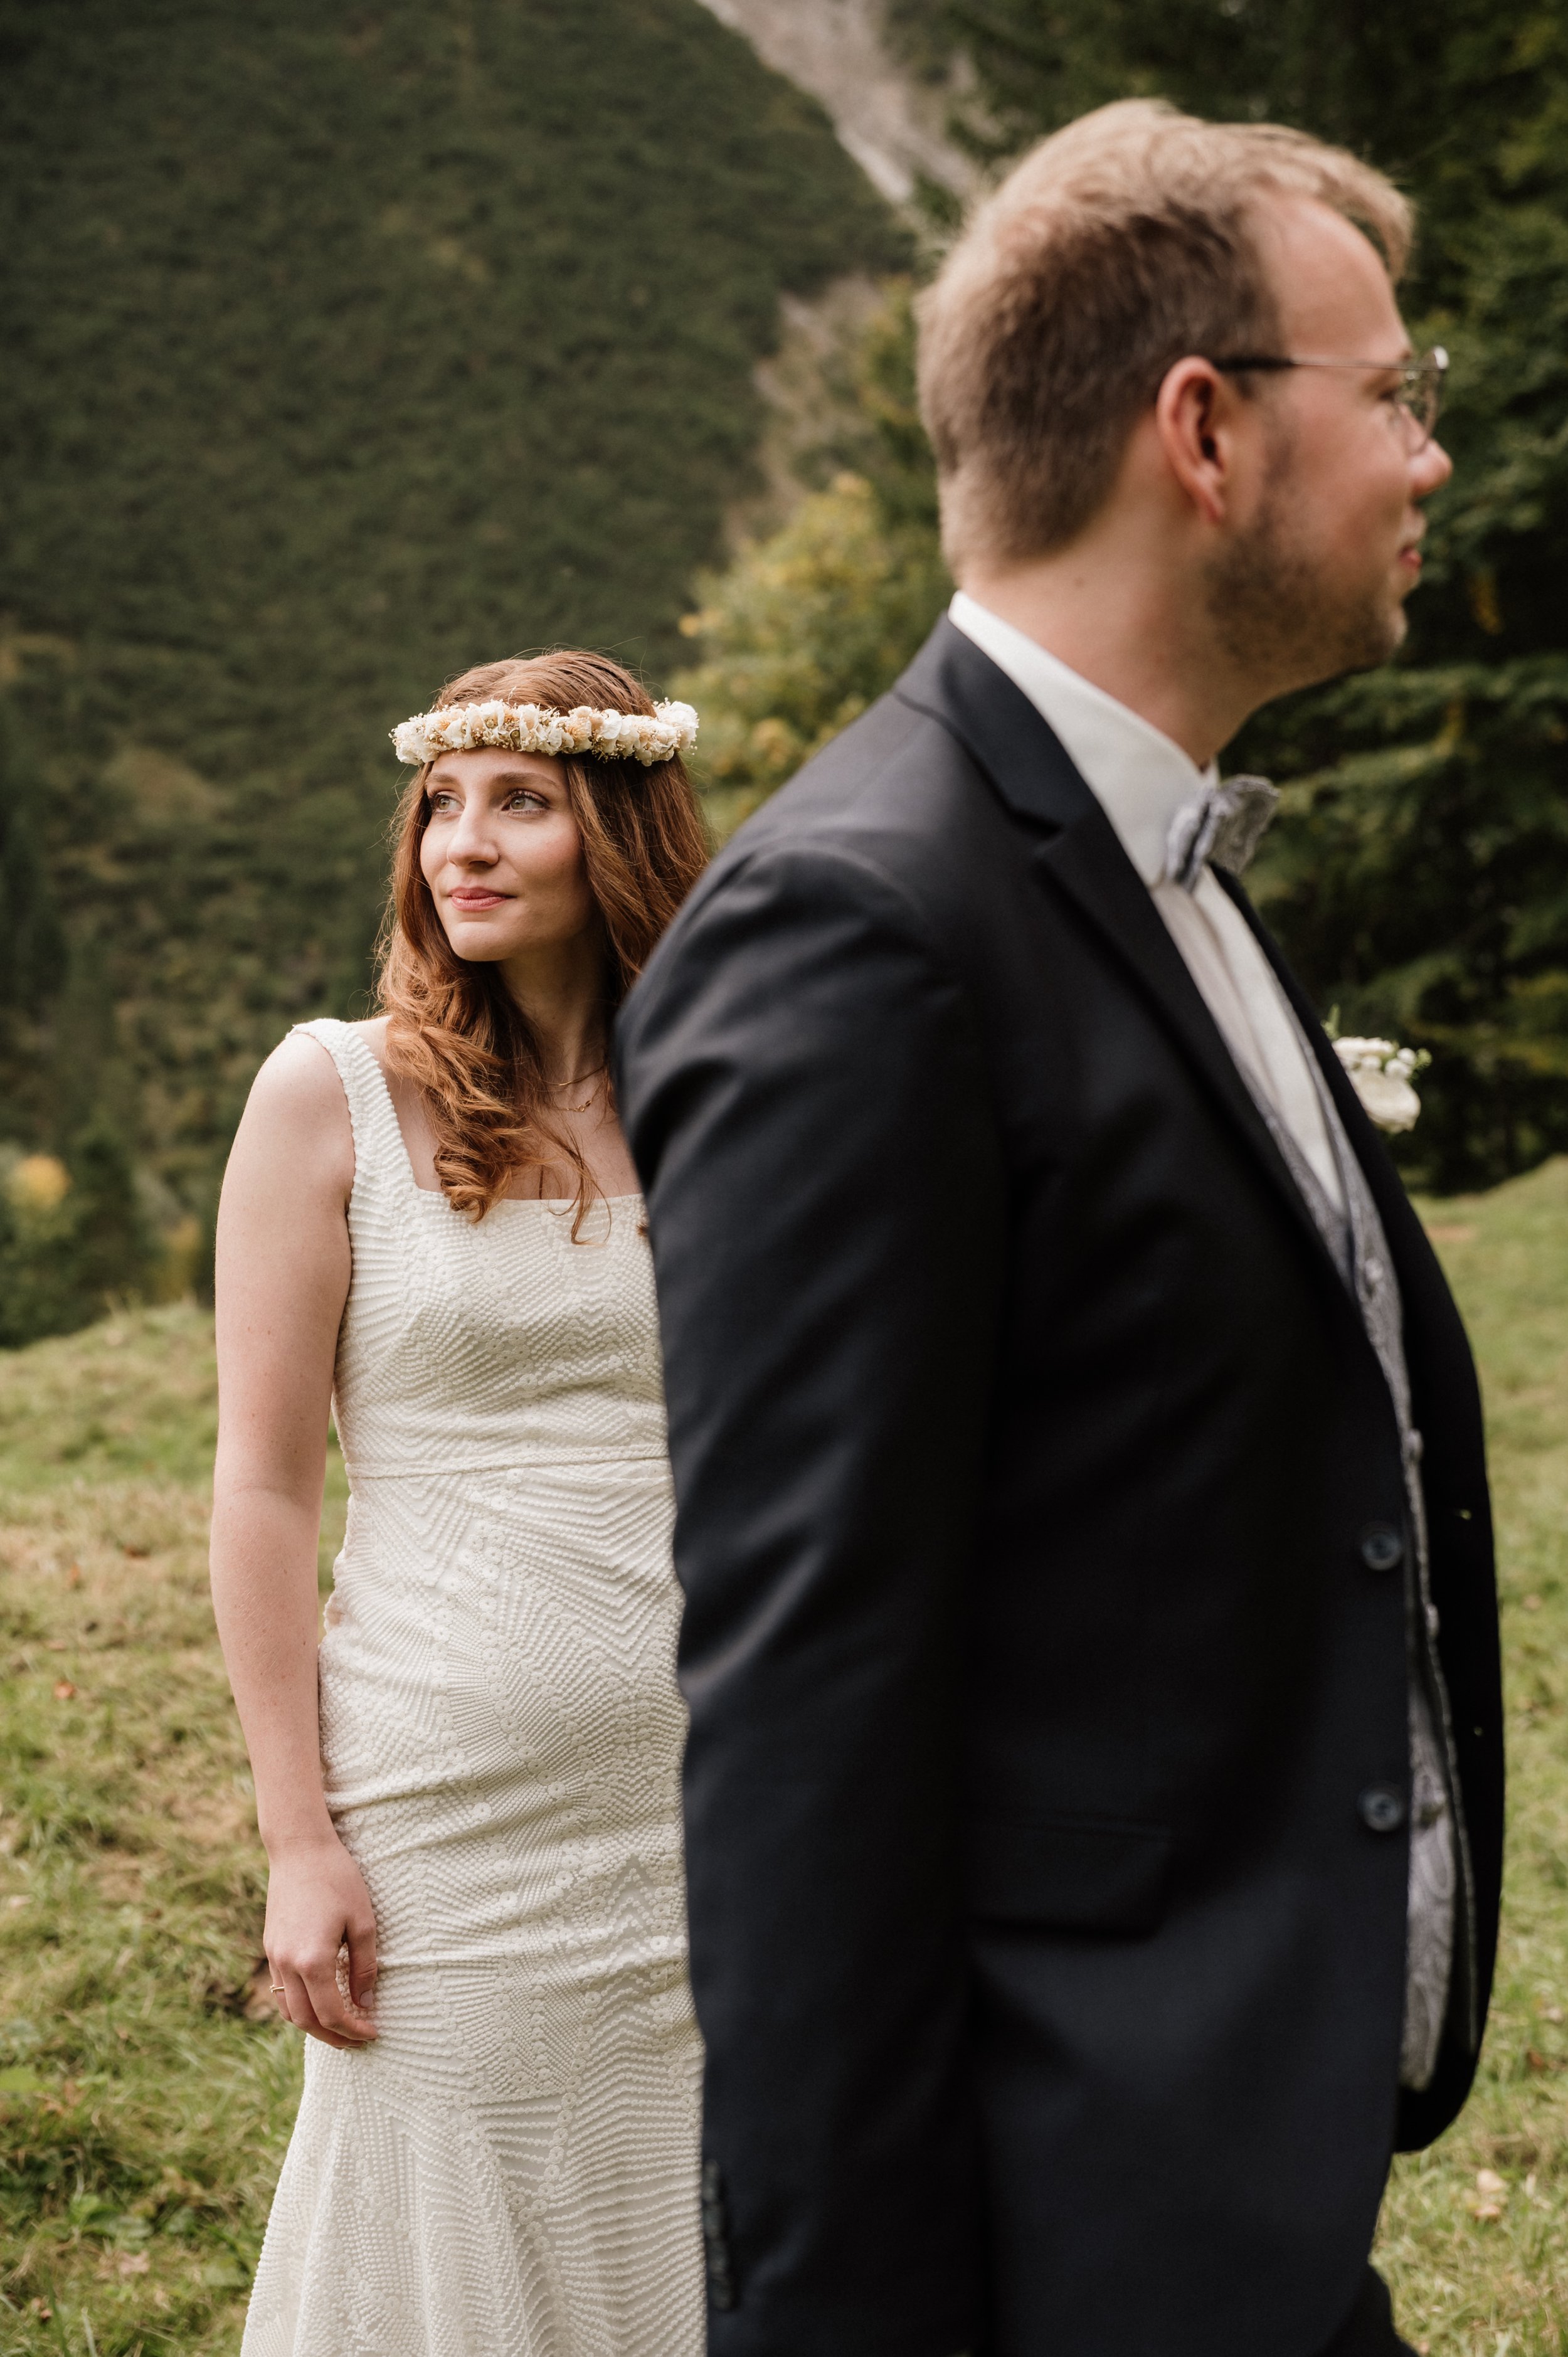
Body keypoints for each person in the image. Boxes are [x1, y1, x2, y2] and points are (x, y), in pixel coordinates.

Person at [615, 102, 1503, 2357]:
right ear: (1200, 431)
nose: (1428, 457)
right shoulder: (855, 932)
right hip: (1055, 2244)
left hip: (1232, 2201)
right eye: (1392, 392)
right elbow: (804, 1738)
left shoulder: (1149, 863)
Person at [210, 652, 709, 2357]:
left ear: (622, 833)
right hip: (446, 1809)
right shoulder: (331, 1092)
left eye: (521, 804)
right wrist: (297, 1839)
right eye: (441, 806)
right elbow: (264, 1485)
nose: (463, 845)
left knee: (683, 2223)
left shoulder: (726, 1101)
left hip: (708, 1796)